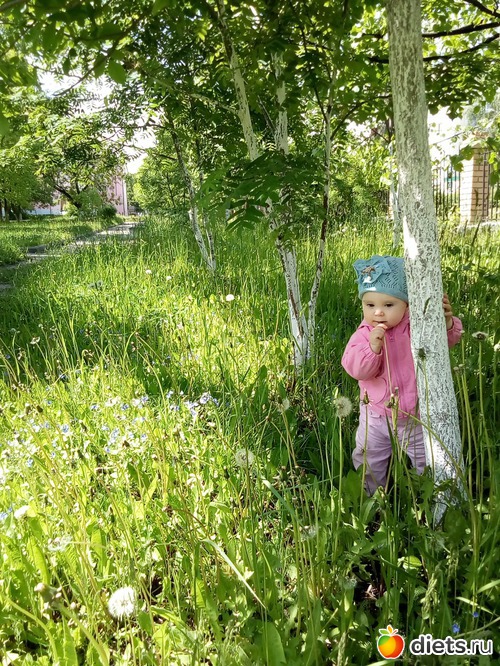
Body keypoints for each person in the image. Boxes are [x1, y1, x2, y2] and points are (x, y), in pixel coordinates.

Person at [341, 255, 463, 494]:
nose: (378, 312)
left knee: (425, 458)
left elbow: (442, 345)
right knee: (369, 458)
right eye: (369, 305)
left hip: (414, 416)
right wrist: (372, 350)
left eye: (388, 305)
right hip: (375, 415)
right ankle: (371, 498)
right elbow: (355, 369)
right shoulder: (364, 334)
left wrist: (446, 324)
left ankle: (429, 494)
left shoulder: (416, 325)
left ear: (406, 304)